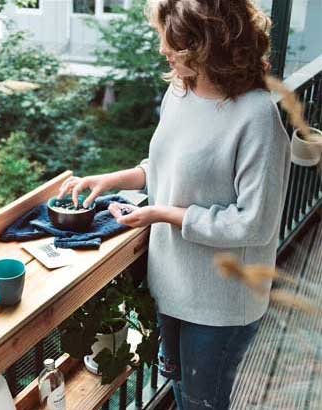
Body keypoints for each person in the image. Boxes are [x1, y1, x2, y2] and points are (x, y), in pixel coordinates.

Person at [57, 1, 292, 408]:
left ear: (205, 44)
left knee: (203, 402)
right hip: (171, 284)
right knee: (182, 393)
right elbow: (169, 168)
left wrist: (161, 213)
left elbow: (254, 224)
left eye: (172, 41)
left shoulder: (257, 118)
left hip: (220, 302)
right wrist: (111, 179)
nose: (163, 49)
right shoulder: (180, 90)